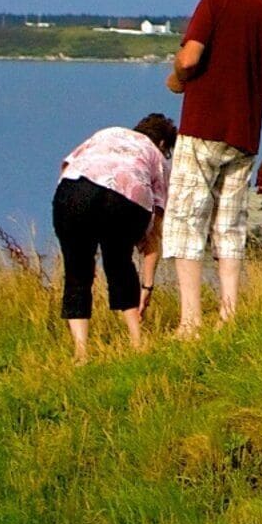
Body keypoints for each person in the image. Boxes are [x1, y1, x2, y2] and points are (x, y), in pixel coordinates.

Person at [163, 0, 262, 336]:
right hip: (244, 138)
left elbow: (189, 60)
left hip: (202, 128)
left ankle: (190, 321)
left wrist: (177, 77)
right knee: (230, 225)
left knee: (187, 221)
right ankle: (229, 313)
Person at [53, 113, 174, 360]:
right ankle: (136, 341)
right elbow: (154, 231)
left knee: (77, 270)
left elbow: (66, 166)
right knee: (119, 264)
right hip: (125, 196)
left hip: (73, 190)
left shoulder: (108, 132)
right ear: (163, 144)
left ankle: (81, 353)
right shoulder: (157, 157)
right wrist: (147, 286)